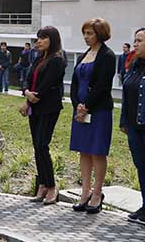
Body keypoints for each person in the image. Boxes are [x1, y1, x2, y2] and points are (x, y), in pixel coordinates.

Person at [70, 18, 116, 214]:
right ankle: (85, 192)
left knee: (97, 151)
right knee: (84, 151)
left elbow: (103, 86)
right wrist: (76, 105)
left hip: (98, 111)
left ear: (100, 34)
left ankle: (97, 193)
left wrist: (86, 106)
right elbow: (74, 83)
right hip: (80, 111)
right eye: (85, 33)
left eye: (90, 33)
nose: (86, 37)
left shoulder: (108, 56)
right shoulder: (83, 56)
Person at [20, 26, 66, 205]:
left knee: (42, 144)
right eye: (38, 38)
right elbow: (27, 78)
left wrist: (32, 97)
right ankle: (42, 185)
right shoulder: (39, 58)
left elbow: (48, 84)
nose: (38, 41)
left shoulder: (57, 60)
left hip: (48, 107)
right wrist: (26, 93)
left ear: (52, 40)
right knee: (36, 146)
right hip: (35, 107)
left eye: (43, 38)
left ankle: (52, 186)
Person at [120, 28, 145, 225]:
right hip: (134, 126)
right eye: (134, 40)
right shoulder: (134, 65)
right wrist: (124, 122)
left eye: (139, 41)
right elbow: (127, 95)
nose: (135, 44)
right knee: (141, 166)